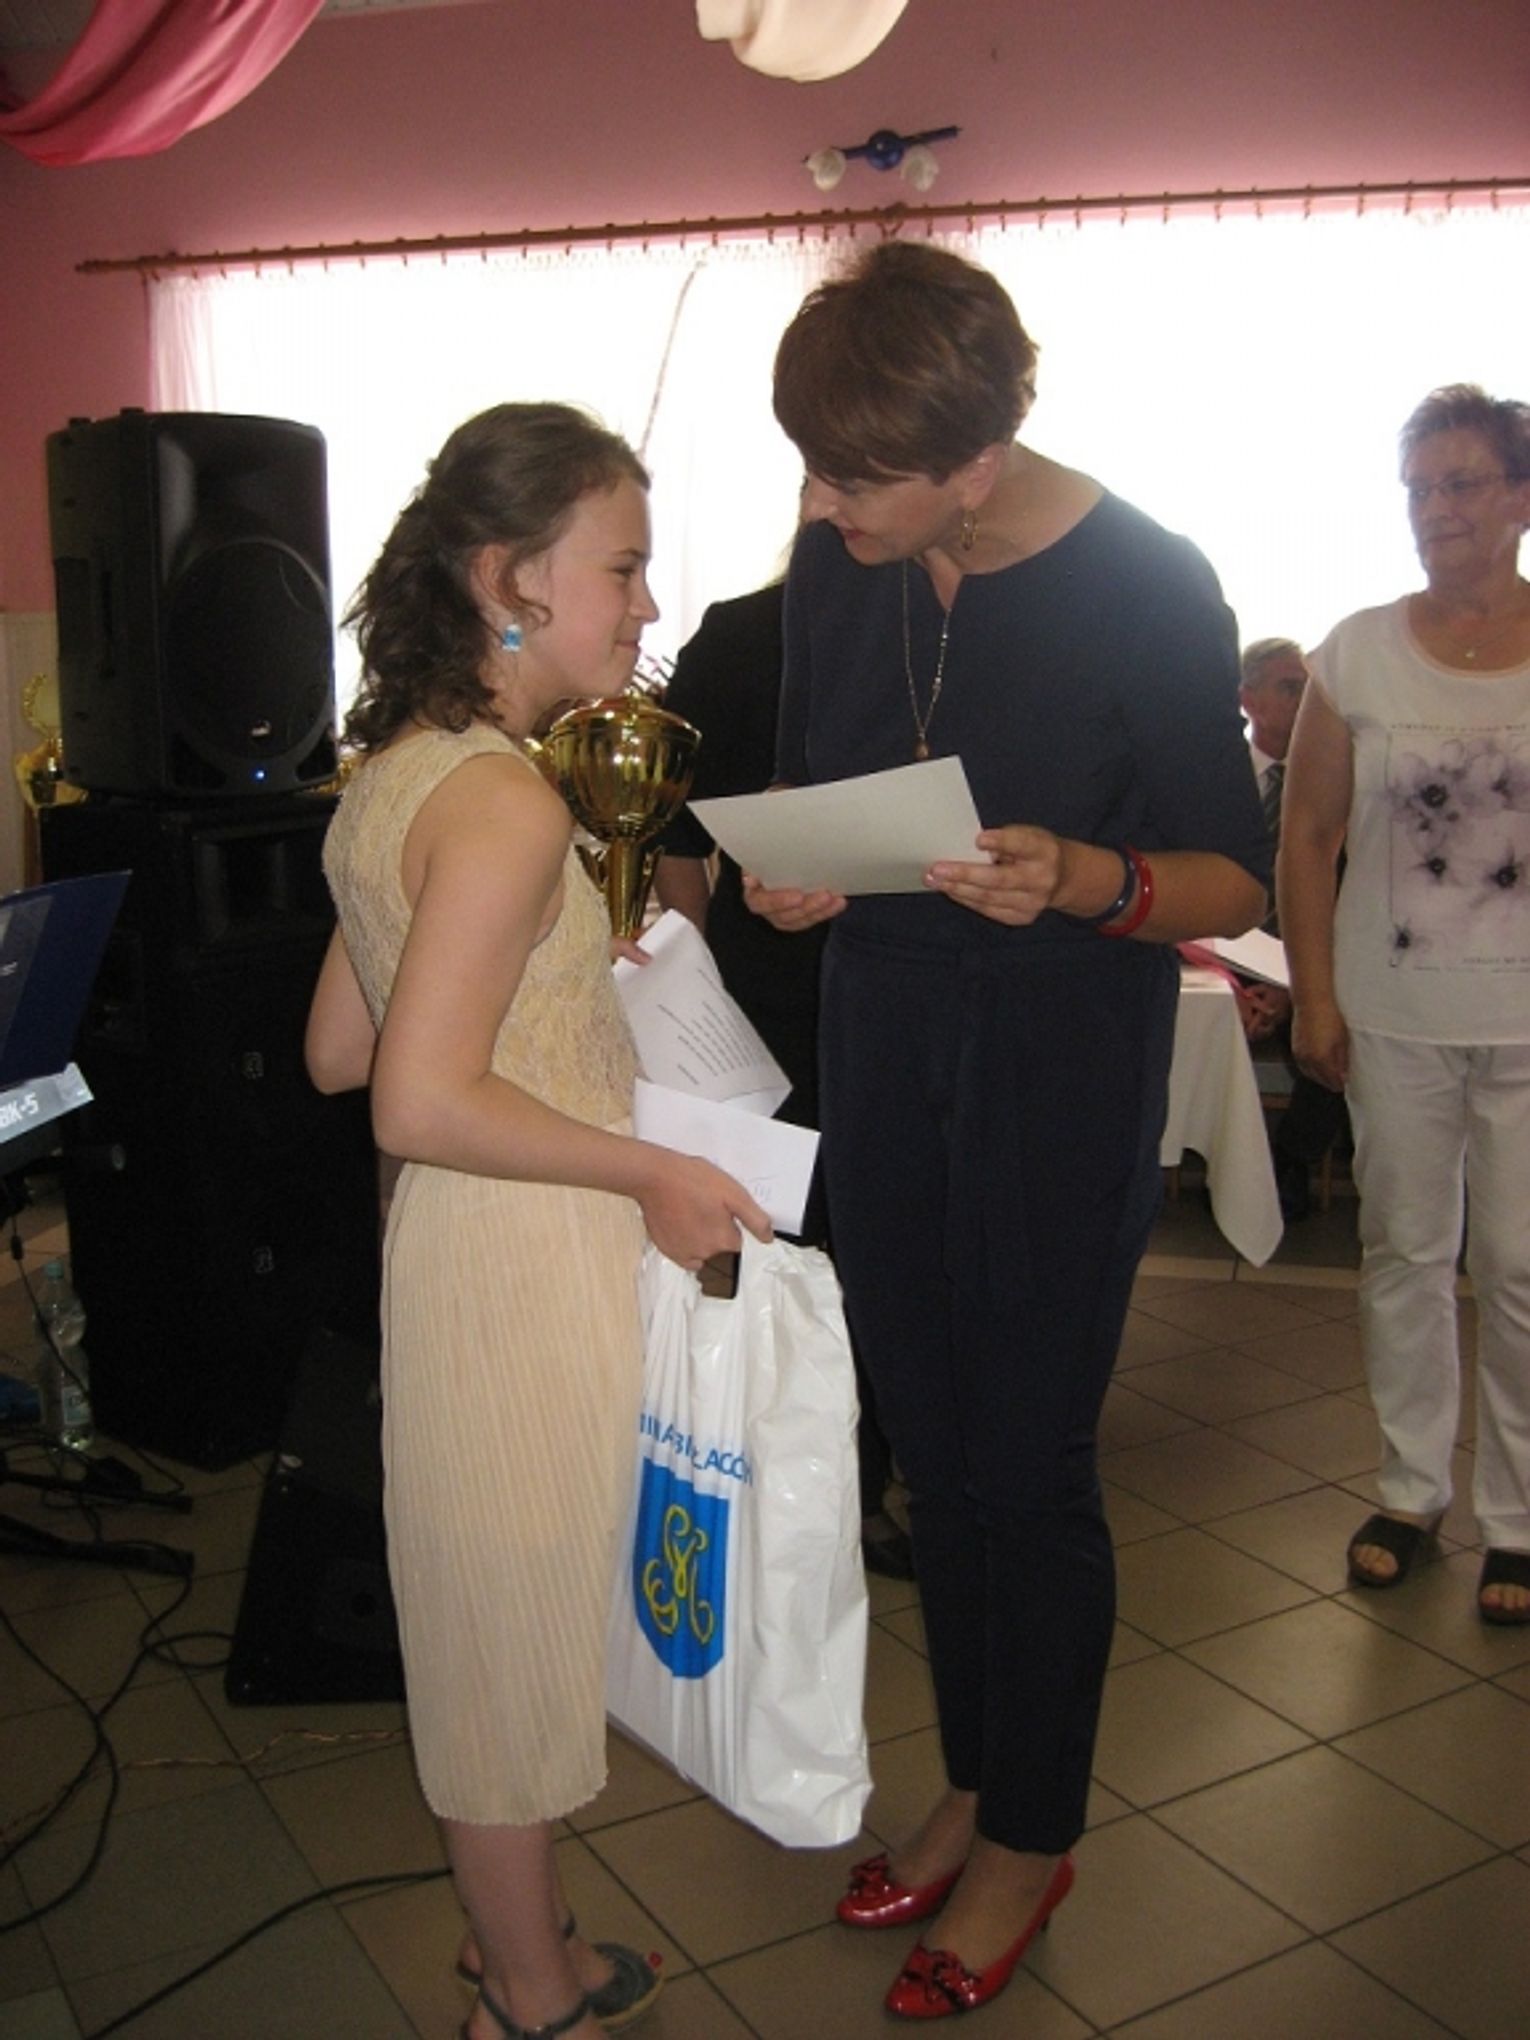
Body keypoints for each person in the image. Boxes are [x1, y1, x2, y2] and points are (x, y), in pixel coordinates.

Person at [751, 242, 1269, 2022]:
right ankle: (979, 1780)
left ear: (975, 458)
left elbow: (1231, 875)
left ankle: (1034, 1833)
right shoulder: (837, 560)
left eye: (857, 478)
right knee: (929, 1445)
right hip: (882, 1029)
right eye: (813, 468)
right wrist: (801, 874)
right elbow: (819, 777)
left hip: (1058, 1046)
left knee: (1029, 1463)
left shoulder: (1148, 582)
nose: (823, 506)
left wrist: (1089, 878)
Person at [304, 402, 770, 2040]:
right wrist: (650, 1171)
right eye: (622, 567)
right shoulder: (504, 803)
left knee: (493, 1609)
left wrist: (564, 981)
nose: (648, 603)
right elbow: (411, 1097)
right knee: (506, 1642)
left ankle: (521, 1938)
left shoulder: (400, 775)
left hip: (461, 1249)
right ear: (511, 578)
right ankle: (529, 1997)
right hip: (522, 1256)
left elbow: (340, 1041)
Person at [1279, 383, 1530, 1626]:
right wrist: (1315, 997)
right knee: (1405, 1257)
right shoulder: (1358, 652)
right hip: (1393, 1020)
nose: (1439, 508)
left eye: (1464, 483)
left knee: (1522, 1267)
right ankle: (1411, 1492)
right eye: (1421, 488)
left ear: (1521, 498)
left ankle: (1520, 1521)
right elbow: (1307, 834)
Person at [652, 574, 916, 1580]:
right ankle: (808, 1482)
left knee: (879, 1246)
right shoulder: (743, 635)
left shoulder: (943, 625)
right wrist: (699, 981)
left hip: (893, 986)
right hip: (775, 991)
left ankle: (863, 1474)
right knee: (792, 1247)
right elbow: (677, 836)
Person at [1235, 638, 1349, 1218]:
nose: (1304, 700)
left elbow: (1344, 892)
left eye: (1308, 688)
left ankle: (1291, 1162)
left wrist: (1291, 986)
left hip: (1303, 960)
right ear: (1248, 699)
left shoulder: (1342, 785)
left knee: (1336, 1033)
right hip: (1216, 957)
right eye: (1288, 687)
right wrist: (1228, 985)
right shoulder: (1214, 778)